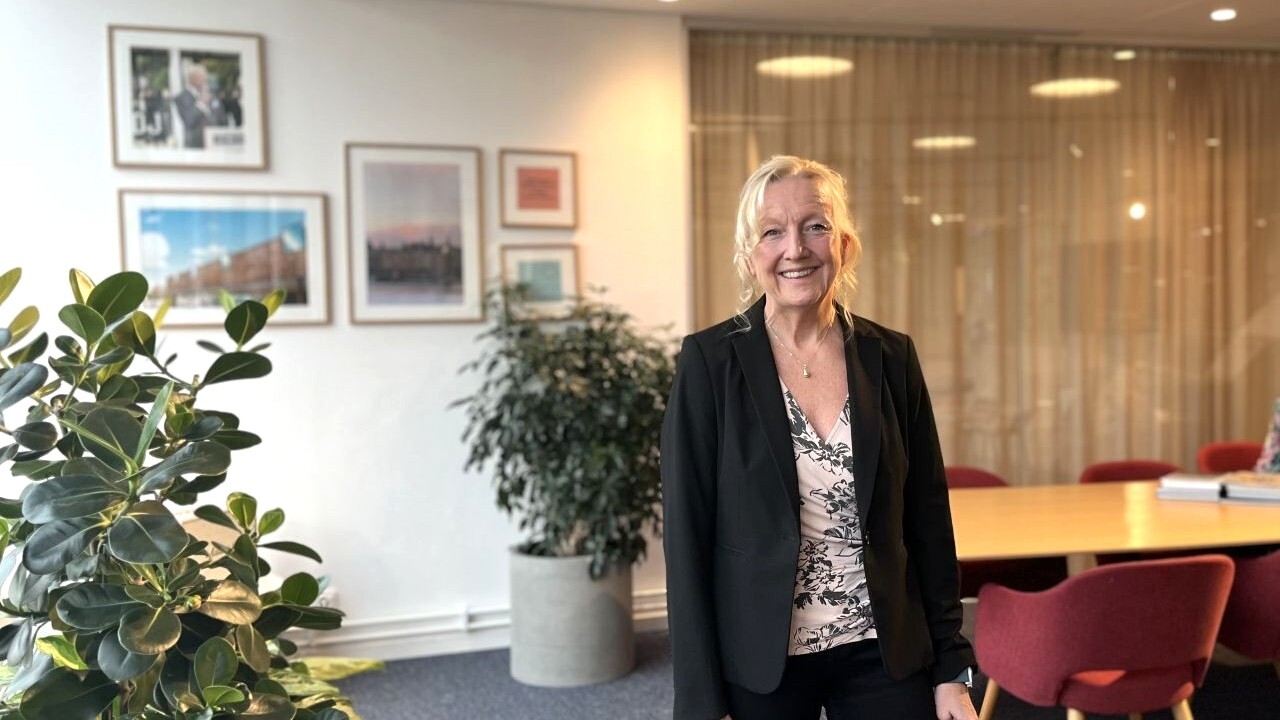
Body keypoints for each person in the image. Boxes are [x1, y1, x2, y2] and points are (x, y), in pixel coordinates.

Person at [661, 156, 978, 720]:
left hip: (884, 649)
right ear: (749, 254)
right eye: (772, 232)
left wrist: (951, 668)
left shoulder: (892, 356)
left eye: (815, 226)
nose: (795, 249)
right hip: (761, 659)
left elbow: (928, 520)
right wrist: (701, 703)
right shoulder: (709, 362)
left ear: (844, 245)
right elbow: (686, 541)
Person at [173, 60, 227, 148]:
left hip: (216, 143)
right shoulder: (182, 98)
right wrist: (201, 103)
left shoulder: (212, 95)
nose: (204, 79)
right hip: (195, 146)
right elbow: (189, 121)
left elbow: (222, 119)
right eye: (200, 76)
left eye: (204, 76)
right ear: (190, 79)